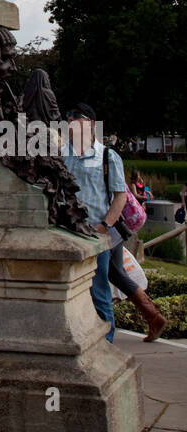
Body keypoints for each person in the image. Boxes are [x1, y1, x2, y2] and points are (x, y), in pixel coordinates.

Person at [63, 106, 165, 342]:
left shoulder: (108, 156)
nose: (71, 122)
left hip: (101, 231)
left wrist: (104, 226)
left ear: (90, 124)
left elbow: (119, 195)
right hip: (76, 231)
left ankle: (106, 341)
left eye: (77, 118)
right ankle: (153, 317)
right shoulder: (62, 154)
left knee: (100, 287)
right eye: (68, 118)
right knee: (114, 274)